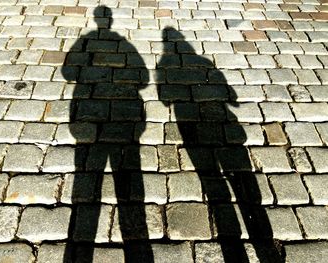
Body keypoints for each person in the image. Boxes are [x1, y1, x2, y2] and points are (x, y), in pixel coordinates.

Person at [156, 27, 283, 262]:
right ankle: (266, 250)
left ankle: (233, 247)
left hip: (186, 119)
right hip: (228, 128)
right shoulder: (204, 61)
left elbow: (164, 99)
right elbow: (231, 97)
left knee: (213, 181)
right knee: (246, 186)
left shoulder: (164, 63)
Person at [62, 6, 153, 262]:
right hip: (128, 123)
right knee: (130, 184)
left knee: (86, 182)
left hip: (86, 120)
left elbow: (68, 72)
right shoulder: (124, 44)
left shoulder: (86, 39)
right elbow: (144, 79)